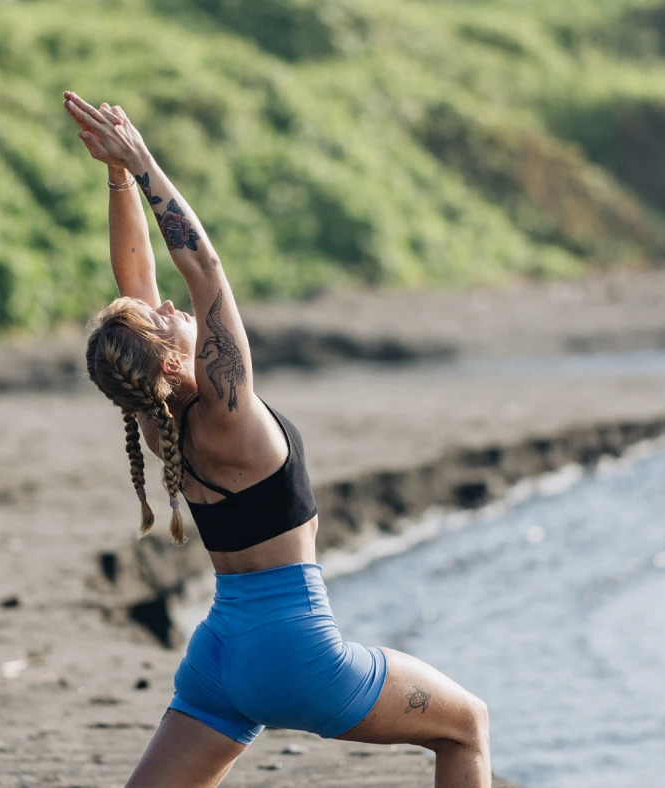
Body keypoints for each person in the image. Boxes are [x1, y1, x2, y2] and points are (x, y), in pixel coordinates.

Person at [65, 90, 491, 788]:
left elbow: (135, 282)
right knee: (465, 725)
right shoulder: (228, 414)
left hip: (219, 659)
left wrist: (113, 181)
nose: (170, 308)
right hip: (294, 653)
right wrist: (143, 165)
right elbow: (204, 271)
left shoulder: (156, 419)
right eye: (165, 322)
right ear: (174, 363)